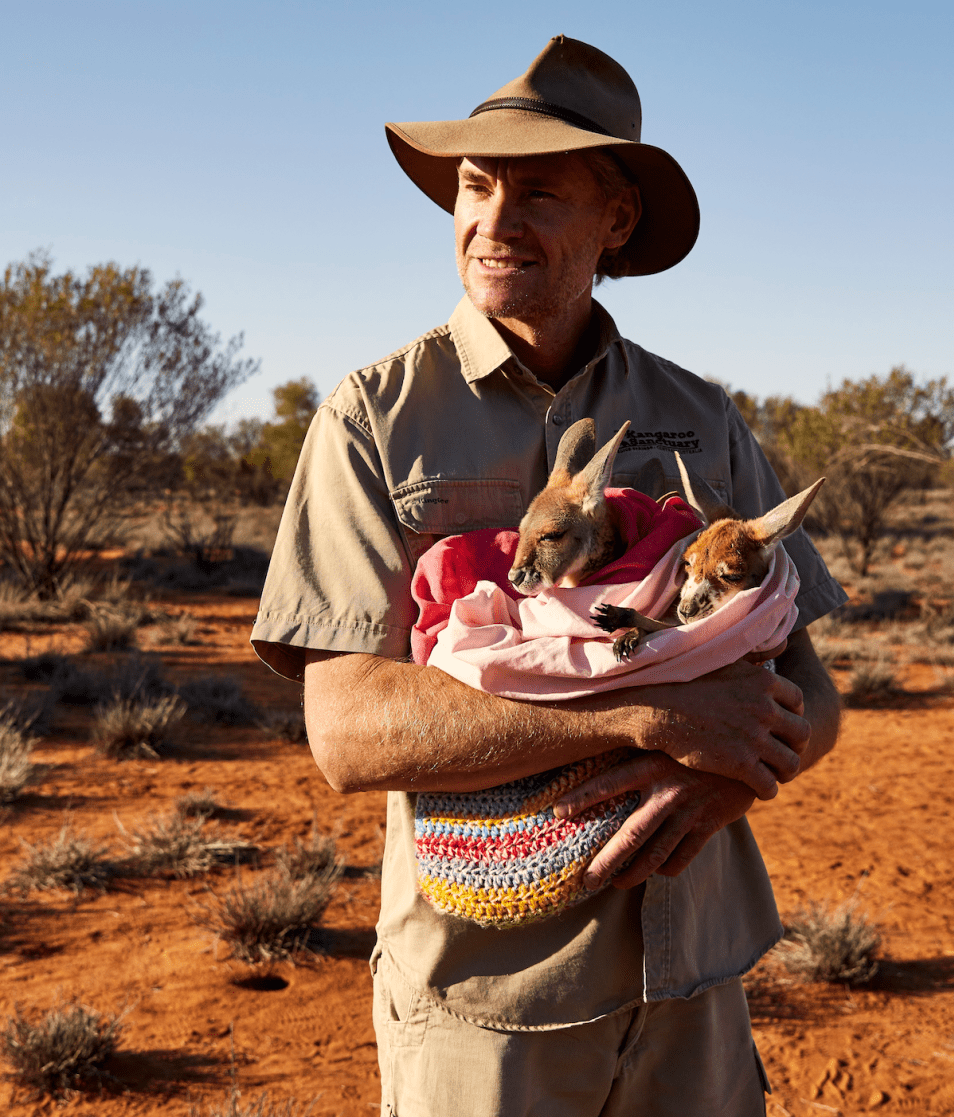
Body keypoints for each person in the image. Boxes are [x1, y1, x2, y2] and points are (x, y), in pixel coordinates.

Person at [252, 34, 847, 1117]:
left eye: (541, 193)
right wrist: (649, 716)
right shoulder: (375, 418)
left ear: (617, 220)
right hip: (488, 1007)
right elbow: (346, 731)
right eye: (476, 187)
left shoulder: (702, 417)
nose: (493, 220)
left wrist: (736, 765)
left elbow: (815, 690)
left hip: (696, 991)